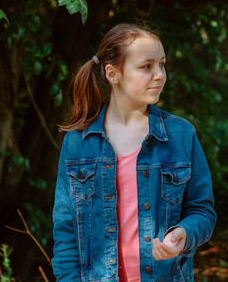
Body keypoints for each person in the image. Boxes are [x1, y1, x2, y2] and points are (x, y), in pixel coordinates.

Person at [52, 23, 217, 282]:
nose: (159, 75)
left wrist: (183, 234)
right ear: (112, 73)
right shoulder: (77, 142)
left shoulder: (181, 135)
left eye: (162, 64)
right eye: (146, 66)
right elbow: (66, 234)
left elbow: (202, 210)